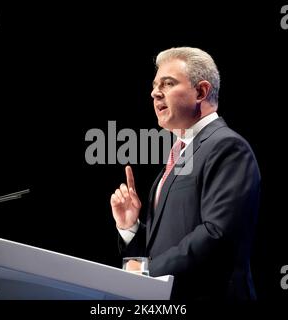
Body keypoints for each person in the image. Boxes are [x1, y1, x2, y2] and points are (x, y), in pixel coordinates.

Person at [110, 47, 260, 300]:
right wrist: (131, 228)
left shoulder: (227, 146)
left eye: (168, 83)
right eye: (155, 85)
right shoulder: (179, 155)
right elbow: (163, 245)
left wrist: (147, 272)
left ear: (201, 91)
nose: (155, 92)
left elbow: (217, 235)